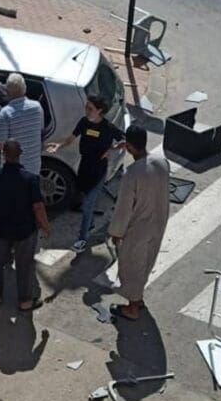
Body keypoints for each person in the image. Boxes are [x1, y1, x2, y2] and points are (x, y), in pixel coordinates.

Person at [46, 94, 125, 254]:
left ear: (100, 111)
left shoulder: (108, 128)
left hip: (98, 170)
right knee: (83, 199)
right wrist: (58, 146)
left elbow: (126, 140)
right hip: (84, 167)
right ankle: (89, 225)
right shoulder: (83, 122)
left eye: (90, 108)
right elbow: (71, 138)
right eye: (86, 107)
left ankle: (82, 239)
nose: (87, 111)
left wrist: (112, 149)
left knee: (87, 206)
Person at [108, 125, 170, 320]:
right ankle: (138, 299)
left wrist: (116, 232)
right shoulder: (161, 162)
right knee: (146, 263)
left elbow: (124, 208)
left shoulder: (132, 173)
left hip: (139, 228)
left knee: (131, 265)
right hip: (158, 223)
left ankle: (133, 307)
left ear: (129, 147)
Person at [0, 140, 51, 311]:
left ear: (3, 154)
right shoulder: (30, 179)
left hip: (0, 228)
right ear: (20, 154)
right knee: (24, 266)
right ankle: (25, 302)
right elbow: (38, 206)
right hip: (25, 231)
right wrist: (45, 226)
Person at [0, 73, 44, 175]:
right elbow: (39, 128)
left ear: (7, 92)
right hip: (33, 168)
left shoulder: (5, 114)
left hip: (13, 172)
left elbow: (0, 145)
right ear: (25, 88)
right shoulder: (37, 107)